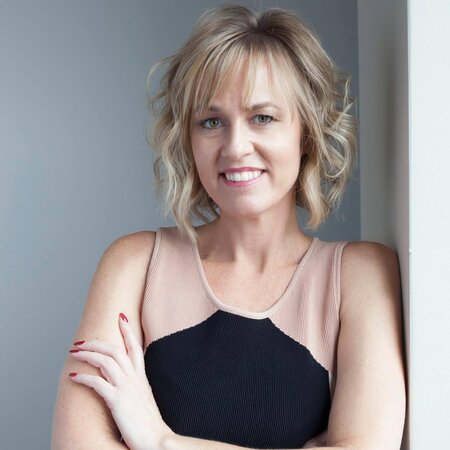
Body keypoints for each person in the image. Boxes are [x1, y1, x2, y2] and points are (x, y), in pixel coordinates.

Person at [52, 4, 406, 450]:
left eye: (263, 117)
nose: (236, 147)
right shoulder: (133, 265)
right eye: (212, 121)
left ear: (306, 132)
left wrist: (159, 440)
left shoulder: (359, 274)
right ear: (189, 139)